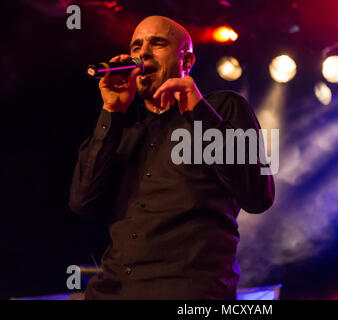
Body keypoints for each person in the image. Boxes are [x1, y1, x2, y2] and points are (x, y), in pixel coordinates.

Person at [69, 16, 275, 299]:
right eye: (136, 46)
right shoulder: (126, 132)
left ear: (187, 61)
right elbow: (82, 201)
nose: (142, 53)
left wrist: (199, 113)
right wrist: (111, 112)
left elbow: (258, 195)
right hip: (112, 291)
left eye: (157, 43)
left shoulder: (223, 108)